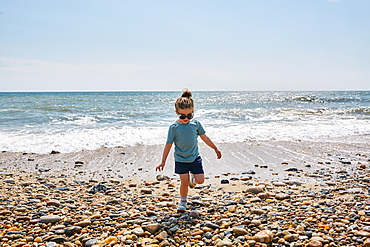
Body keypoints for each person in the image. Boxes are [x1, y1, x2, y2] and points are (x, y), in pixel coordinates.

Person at [156, 89, 222, 211]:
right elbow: (168, 144)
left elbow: (205, 138)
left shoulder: (196, 124)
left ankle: (193, 178)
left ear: (193, 112)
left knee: (200, 181)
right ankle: (183, 202)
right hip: (180, 159)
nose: (186, 118)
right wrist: (163, 161)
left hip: (194, 158)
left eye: (189, 115)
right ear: (176, 112)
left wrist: (215, 148)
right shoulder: (174, 128)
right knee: (184, 182)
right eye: (182, 115)